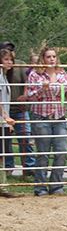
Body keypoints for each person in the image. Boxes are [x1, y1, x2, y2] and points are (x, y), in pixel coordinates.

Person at [22, 47, 67, 196]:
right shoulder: (35, 74)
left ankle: (56, 185)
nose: (52, 59)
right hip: (42, 117)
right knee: (43, 153)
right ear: (43, 59)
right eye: (48, 57)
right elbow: (31, 97)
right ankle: (40, 187)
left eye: (54, 56)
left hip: (59, 117)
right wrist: (42, 89)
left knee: (61, 151)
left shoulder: (62, 74)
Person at [0, 41, 35, 174]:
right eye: (5, 53)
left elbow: (29, 81)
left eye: (10, 51)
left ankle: (29, 166)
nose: (9, 59)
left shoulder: (19, 65)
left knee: (25, 137)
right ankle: (7, 168)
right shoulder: (2, 72)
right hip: (5, 111)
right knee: (5, 142)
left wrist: (25, 96)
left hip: (18, 108)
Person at [0, 48, 18, 197]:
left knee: (2, 154)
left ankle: (2, 185)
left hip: (4, 121)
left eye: (11, 60)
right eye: (6, 59)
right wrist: (5, 117)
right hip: (1, 120)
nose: (9, 62)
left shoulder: (4, 77)